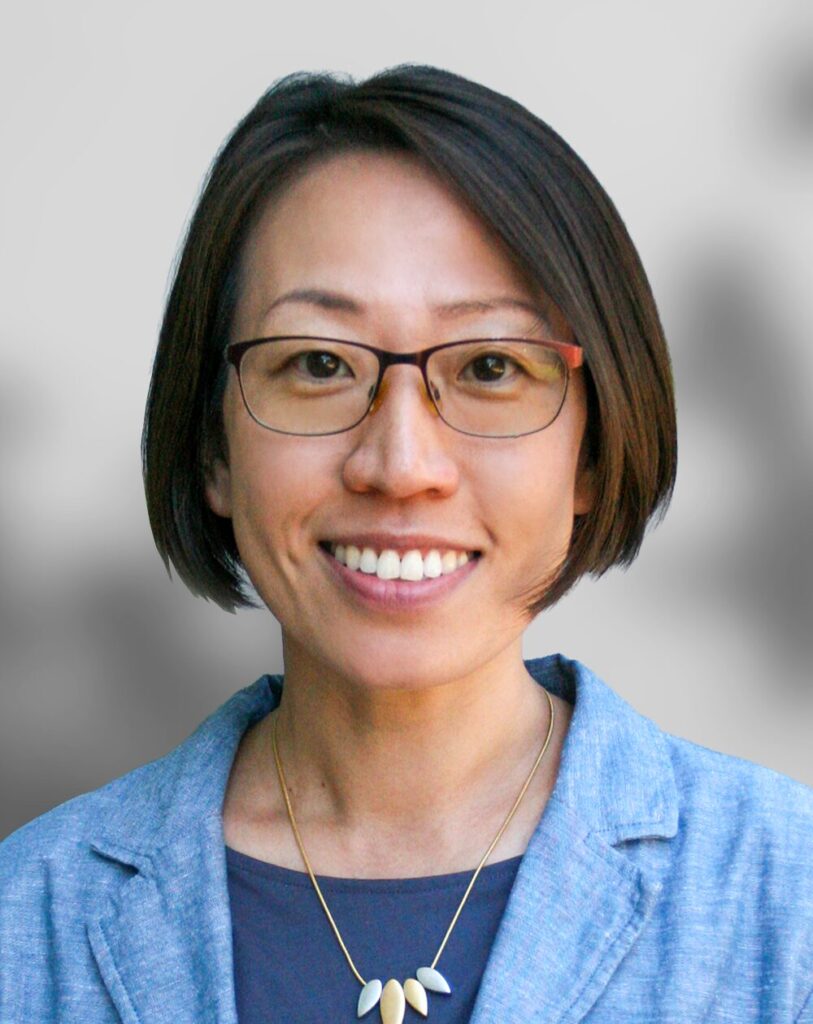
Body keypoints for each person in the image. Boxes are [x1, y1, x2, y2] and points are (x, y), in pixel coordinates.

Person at [1, 64, 811, 1024]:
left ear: (592, 453)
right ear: (214, 448)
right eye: (317, 363)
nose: (399, 464)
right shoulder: (30, 915)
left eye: (490, 367)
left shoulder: (785, 898)